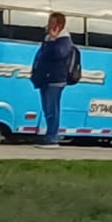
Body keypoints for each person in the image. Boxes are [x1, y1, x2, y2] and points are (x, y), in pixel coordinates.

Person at [30, 12, 77, 148]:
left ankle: (52, 137)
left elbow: (57, 54)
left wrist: (53, 39)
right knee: (47, 108)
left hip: (56, 79)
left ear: (60, 25)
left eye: (52, 23)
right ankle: (50, 135)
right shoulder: (48, 39)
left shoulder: (64, 41)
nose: (48, 25)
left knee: (52, 108)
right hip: (46, 78)